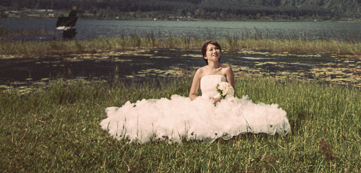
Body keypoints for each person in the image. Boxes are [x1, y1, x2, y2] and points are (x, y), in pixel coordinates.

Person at [100, 40, 290, 143]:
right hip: (203, 102)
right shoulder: (200, 71)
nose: (214, 51)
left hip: (223, 103)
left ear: (220, 53)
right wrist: (202, 101)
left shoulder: (226, 69)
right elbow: (191, 94)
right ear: (204, 55)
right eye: (210, 49)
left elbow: (231, 90)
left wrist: (219, 97)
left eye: (217, 49)